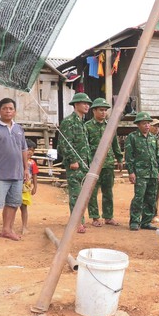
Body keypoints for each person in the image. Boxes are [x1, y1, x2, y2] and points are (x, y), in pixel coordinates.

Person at [0, 98, 29, 246]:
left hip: (17, 174)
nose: (8, 111)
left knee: (13, 203)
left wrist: (26, 169)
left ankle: (7, 230)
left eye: (11, 108)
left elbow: (24, 149)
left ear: (15, 111)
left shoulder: (19, 129)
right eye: (5, 108)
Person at [85, 98, 123, 227]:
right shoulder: (87, 127)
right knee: (93, 191)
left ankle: (108, 216)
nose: (103, 112)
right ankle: (95, 217)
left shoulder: (110, 126)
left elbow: (115, 143)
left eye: (105, 110)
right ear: (94, 111)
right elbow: (85, 145)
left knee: (108, 191)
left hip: (107, 163)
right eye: (101, 110)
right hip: (93, 164)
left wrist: (119, 158)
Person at [59, 92, 92, 234]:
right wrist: (72, 160)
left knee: (83, 195)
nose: (87, 106)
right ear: (76, 105)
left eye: (88, 104)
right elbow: (64, 144)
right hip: (75, 165)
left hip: (85, 164)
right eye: (84, 103)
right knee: (76, 194)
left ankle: (81, 220)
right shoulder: (68, 122)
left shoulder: (82, 124)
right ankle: (77, 222)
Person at [125, 112, 159, 231]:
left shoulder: (153, 138)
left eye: (148, 123)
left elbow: (157, 155)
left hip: (153, 172)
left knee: (151, 197)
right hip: (140, 173)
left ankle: (146, 221)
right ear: (138, 125)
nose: (147, 125)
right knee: (139, 197)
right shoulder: (132, 137)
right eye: (144, 123)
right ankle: (134, 221)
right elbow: (129, 156)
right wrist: (131, 172)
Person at [19, 139, 39, 234]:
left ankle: (24, 227)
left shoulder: (32, 163)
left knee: (24, 207)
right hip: (15, 185)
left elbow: (34, 175)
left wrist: (35, 187)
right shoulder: (17, 160)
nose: (30, 152)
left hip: (26, 187)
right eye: (28, 149)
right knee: (12, 206)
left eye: (33, 150)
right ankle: (8, 226)